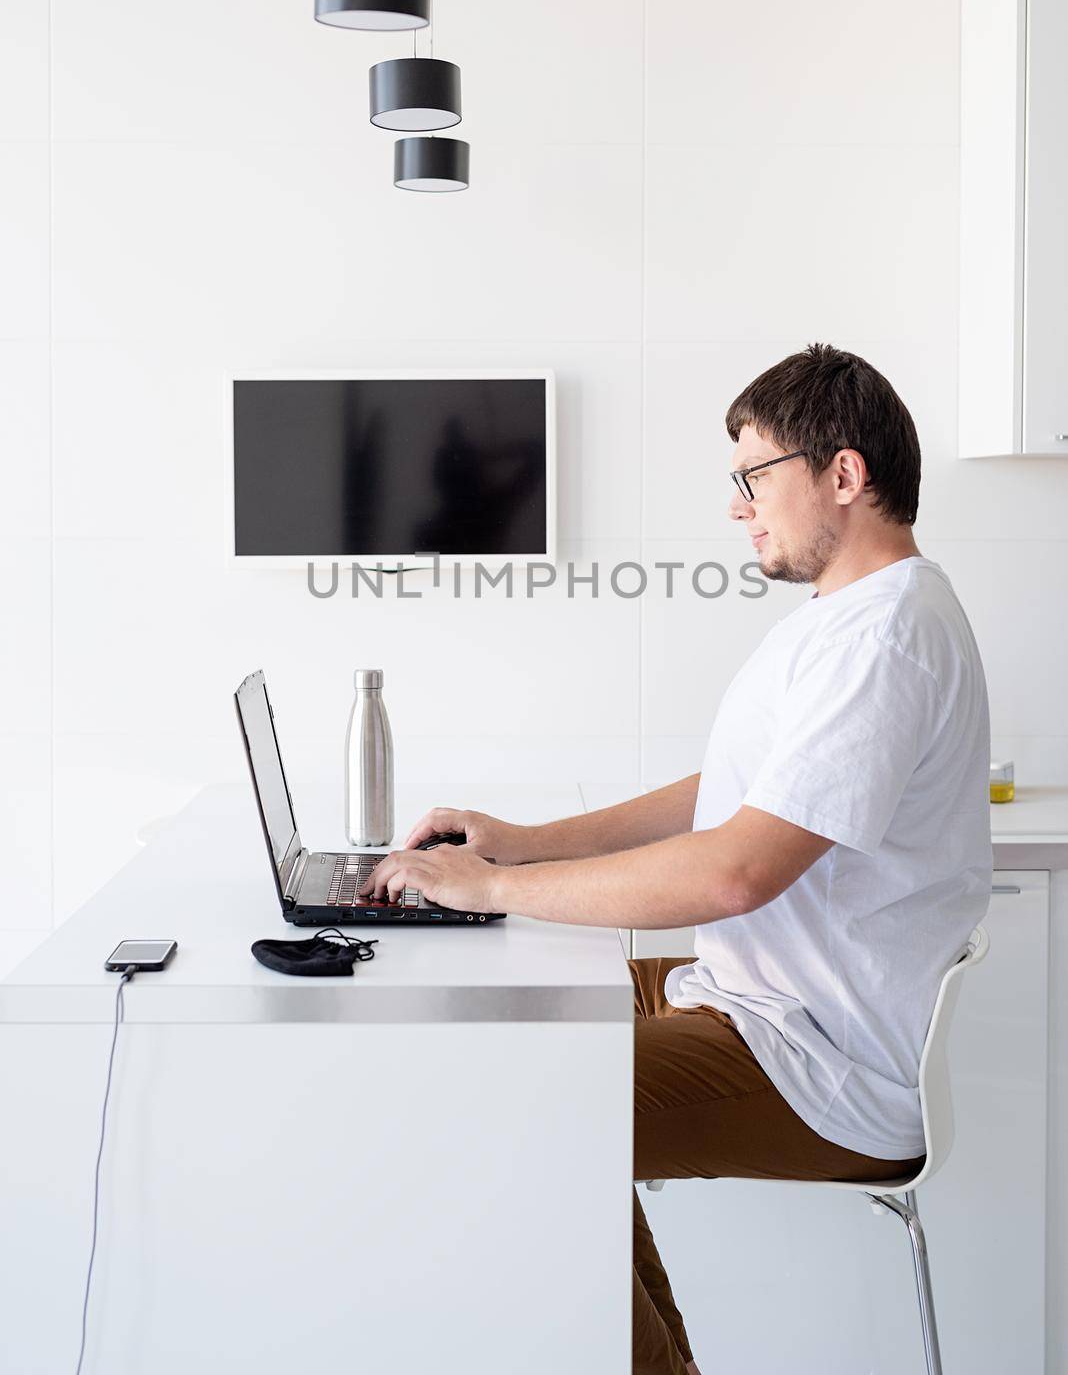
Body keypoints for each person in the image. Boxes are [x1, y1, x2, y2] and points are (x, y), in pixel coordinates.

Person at [361, 343, 993, 1375]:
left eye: (755, 478)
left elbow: (736, 870)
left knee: (511, 1103)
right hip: (761, 1002)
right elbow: (724, 797)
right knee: (511, 1032)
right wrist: (520, 842)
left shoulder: (886, 638)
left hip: (813, 1062)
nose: (740, 507)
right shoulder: (842, 622)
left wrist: (495, 888)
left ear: (844, 474)